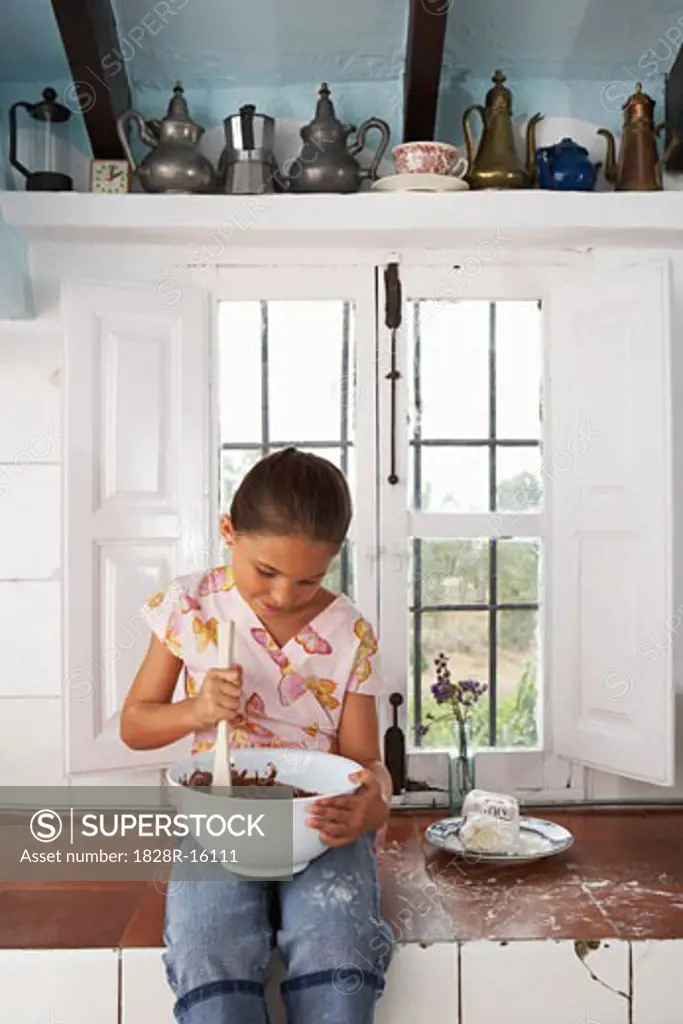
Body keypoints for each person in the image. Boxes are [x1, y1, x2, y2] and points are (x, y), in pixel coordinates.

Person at [120, 447, 395, 1024]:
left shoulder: (351, 632)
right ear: (229, 532)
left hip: (321, 826)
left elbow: (367, 761)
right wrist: (195, 710)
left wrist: (370, 810)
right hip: (221, 815)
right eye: (266, 572)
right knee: (208, 942)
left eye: (309, 579)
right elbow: (136, 724)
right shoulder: (190, 607)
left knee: (339, 944)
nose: (284, 595)